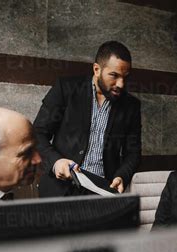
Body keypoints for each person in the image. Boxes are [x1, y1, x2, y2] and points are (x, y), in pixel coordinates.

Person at [33, 41, 141, 197]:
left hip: (103, 192)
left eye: (125, 77)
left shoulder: (131, 106)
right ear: (97, 69)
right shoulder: (66, 89)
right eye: (114, 75)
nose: (121, 84)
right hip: (60, 190)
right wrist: (56, 162)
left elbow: (133, 152)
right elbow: (37, 134)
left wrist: (121, 176)